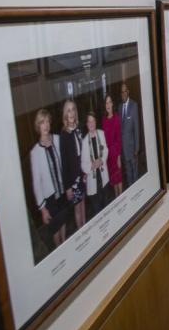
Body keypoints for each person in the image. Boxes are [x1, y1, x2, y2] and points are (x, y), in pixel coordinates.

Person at [29, 108, 67, 247]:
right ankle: (60, 249)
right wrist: (42, 209)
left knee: (63, 221)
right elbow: (36, 183)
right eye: (42, 122)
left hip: (62, 192)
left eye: (47, 122)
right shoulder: (35, 152)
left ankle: (65, 243)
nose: (45, 125)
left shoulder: (57, 139)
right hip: (49, 198)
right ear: (38, 126)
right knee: (54, 229)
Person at [59, 99, 85, 230]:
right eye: (68, 110)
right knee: (77, 208)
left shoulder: (79, 129)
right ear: (65, 114)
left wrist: (85, 172)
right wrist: (68, 187)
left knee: (83, 204)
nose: (71, 113)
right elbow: (64, 163)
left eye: (73, 109)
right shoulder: (63, 135)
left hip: (82, 175)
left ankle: (86, 227)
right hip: (73, 179)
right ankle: (81, 232)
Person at [80, 112, 109, 220]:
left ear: (96, 122)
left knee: (107, 207)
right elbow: (83, 164)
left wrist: (101, 160)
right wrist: (91, 165)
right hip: (93, 183)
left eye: (93, 121)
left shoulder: (101, 133)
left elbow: (106, 149)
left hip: (103, 178)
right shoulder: (84, 142)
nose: (91, 123)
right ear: (87, 124)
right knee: (98, 213)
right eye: (89, 121)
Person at [101, 94, 124, 198]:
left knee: (119, 179)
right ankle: (116, 199)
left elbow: (119, 139)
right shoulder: (103, 120)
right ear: (105, 105)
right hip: (108, 155)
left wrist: (119, 157)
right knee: (113, 180)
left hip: (115, 154)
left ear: (112, 104)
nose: (108, 104)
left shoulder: (116, 118)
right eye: (106, 102)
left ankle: (122, 198)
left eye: (110, 102)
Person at [120, 83, 140, 188]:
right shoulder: (119, 107)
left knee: (135, 173)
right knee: (128, 174)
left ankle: (137, 192)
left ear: (128, 92)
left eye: (125, 91)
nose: (123, 94)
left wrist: (137, 148)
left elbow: (136, 127)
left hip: (132, 148)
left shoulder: (134, 105)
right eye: (121, 92)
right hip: (124, 149)